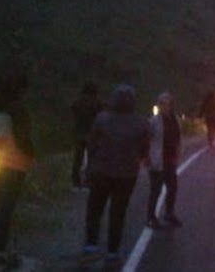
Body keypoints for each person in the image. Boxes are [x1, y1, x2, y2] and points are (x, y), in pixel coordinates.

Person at [82, 84, 149, 266]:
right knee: (118, 212)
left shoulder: (102, 119)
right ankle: (112, 252)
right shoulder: (141, 123)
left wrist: (89, 167)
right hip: (126, 175)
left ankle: (90, 246)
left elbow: (91, 144)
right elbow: (144, 150)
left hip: (101, 172)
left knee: (95, 209)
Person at [0, 68, 34, 268]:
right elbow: (23, 138)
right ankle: (0, 251)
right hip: (16, 162)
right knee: (7, 208)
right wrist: (32, 154)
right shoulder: (18, 109)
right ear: (20, 89)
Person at [146, 91, 183, 228]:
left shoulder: (176, 120)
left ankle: (169, 213)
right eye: (162, 103)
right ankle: (150, 217)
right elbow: (147, 139)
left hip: (171, 160)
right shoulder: (154, 121)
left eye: (168, 104)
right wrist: (147, 157)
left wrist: (179, 152)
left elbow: (179, 137)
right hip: (157, 161)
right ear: (159, 105)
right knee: (155, 190)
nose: (165, 106)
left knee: (172, 188)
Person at [70, 81, 104, 190]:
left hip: (79, 132)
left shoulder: (78, 102)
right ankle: (89, 179)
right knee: (92, 158)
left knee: (78, 158)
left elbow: (73, 111)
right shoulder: (97, 103)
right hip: (92, 134)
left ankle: (75, 180)